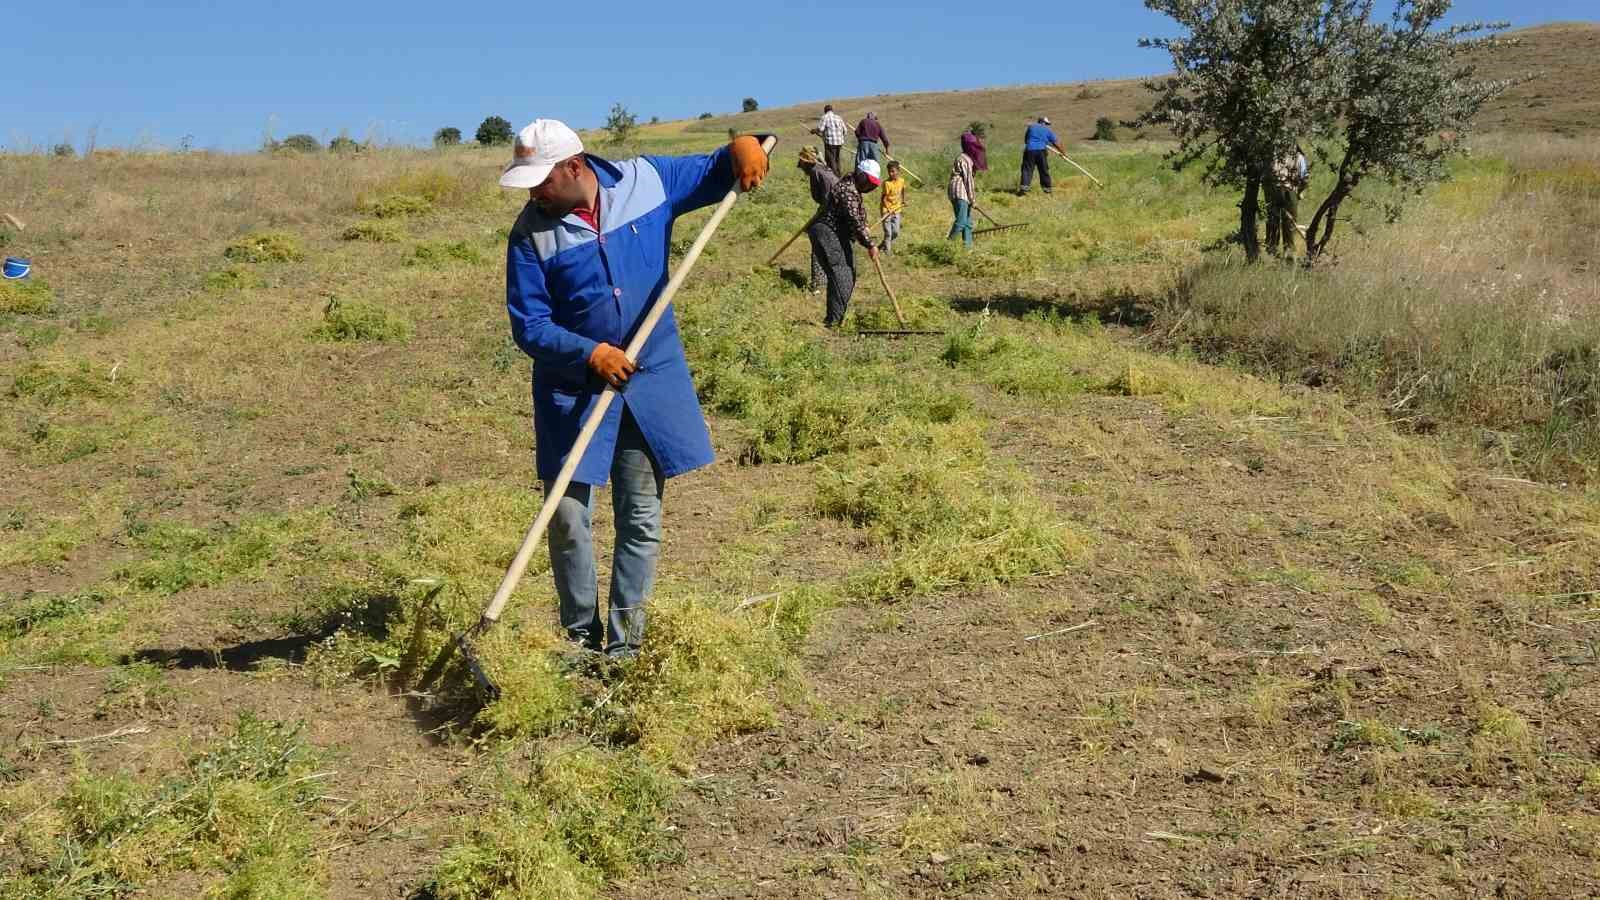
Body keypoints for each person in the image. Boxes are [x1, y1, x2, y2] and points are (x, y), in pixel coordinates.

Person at [500, 118, 770, 659]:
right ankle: (579, 636)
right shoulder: (530, 234)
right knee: (569, 517)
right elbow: (528, 324)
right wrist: (589, 353)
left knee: (640, 515)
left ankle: (626, 648)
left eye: (540, 180)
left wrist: (743, 147)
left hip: (647, 382)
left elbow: (720, 168)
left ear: (573, 167)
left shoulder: (646, 181)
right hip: (573, 391)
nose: (533, 193)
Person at [809, 158, 881, 327]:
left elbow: (857, 217)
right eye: (868, 182)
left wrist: (865, 227)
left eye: (873, 185)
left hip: (831, 232)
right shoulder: (848, 191)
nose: (870, 187)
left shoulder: (851, 187)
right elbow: (854, 220)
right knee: (842, 274)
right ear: (861, 175)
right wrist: (870, 244)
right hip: (828, 232)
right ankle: (833, 322)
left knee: (845, 273)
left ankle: (836, 318)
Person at [797, 145, 838, 292]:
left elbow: (828, 198)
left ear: (807, 163)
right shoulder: (823, 168)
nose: (801, 168)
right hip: (833, 208)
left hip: (833, 209)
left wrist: (817, 218)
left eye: (802, 165)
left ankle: (818, 283)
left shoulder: (816, 171)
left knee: (818, 243)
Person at [1266, 144, 1309, 256]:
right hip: (1290, 191)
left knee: (1273, 220)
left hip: (1273, 190)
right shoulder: (1299, 157)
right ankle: (1288, 252)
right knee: (1289, 223)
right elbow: (1304, 178)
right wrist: (1299, 193)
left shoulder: (1272, 155)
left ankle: (1272, 250)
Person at [1020, 116, 1062, 195]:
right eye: (1046, 123)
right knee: (1043, 170)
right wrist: (1063, 153)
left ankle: (1024, 187)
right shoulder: (1047, 130)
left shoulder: (1031, 127)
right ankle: (1047, 189)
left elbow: (1026, 140)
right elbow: (1056, 143)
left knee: (1027, 169)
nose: (1047, 125)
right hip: (1041, 151)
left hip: (1029, 150)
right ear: (1043, 122)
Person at [948, 145, 976, 247]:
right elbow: (968, 180)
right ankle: (946, 244)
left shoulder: (962, 157)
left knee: (967, 223)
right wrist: (972, 199)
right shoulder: (966, 160)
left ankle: (968, 248)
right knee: (961, 221)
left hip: (957, 192)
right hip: (960, 192)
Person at [810, 104, 848, 176]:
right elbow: (845, 130)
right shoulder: (838, 117)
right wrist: (840, 137)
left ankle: (834, 177)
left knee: (831, 160)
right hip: (839, 143)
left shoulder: (825, 117)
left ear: (825, 111)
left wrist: (813, 131)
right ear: (832, 110)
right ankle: (839, 174)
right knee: (837, 159)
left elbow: (820, 129)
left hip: (830, 142)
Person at [879, 160, 907, 255]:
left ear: (898, 171)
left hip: (897, 209)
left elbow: (903, 190)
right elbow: (883, 199)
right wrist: (888, 209)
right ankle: (887, 251)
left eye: (893, 171)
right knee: (888, 233)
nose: (891, 174)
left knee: (895, 232)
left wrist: (903, 200)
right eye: (889, 172)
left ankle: (884, 244)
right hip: (886, 210)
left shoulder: (901, 181)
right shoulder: (887, 184)